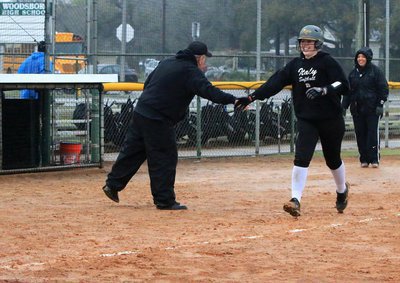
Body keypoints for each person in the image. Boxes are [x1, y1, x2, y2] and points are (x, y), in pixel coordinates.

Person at [102, 41, 237, 210]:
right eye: (204, 59)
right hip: (159, 118)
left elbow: (148, 83)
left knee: (133, 151)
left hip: (142, 110)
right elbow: (209, 91)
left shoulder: (167, 62)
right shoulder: (190, 71)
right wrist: (233, 99)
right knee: (164, 157)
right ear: (200, 58)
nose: (205, 63)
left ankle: (112, 185)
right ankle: (164, 200)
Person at [235, 25, 350, 217]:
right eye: (303, 42)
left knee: (333, 159)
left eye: (309, 42)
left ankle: (341, 191)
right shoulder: (295, 65)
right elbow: (274, 83)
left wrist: (323, 90)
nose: (305, 45)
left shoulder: (327, 62)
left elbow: (343, 84)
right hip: (307, 118)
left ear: (318, 43)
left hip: (330, 118)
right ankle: (295, 200)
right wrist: (251, 97)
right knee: (301, 158)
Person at [342, 47, 389, 168]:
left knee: (372, 134)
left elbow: (383, 88)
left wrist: (380, 104)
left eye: (363, 57)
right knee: (360, 134)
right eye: (358, 57)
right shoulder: (353, 74)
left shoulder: (376, 72)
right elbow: (348, 92)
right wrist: (344, 106)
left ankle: (374, 159)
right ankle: (364, 159)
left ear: (368, 58)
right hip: (357, 110)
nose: (360, 59)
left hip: (372, 109)